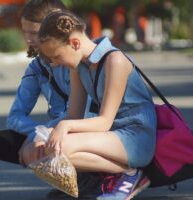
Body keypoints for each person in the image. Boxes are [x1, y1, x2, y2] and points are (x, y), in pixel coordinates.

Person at [21, 10, 157, 200]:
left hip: (135, 137)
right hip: (110, 136)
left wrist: (63, 127)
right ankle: (111, 177)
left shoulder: (115, 60)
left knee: (61, 149)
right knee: (39, 150)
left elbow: (104, 122)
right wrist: (41, 136)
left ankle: (129, 174)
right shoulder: (79, 67)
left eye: (57, 56)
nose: (54, 64)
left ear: (74, 43)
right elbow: (74, 116)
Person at [0, 0, 102, 198]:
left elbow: (82, 115)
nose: (29, 39)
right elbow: (15, 116)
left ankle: (96, 178)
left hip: (92, 130)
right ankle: (71, 180)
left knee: (57, 138)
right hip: (59, 130)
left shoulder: (78, 60)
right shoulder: (37, 67)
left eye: (34, 33)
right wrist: (38, 135)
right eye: (25, 32)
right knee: (1, 141)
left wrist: (46, 134)